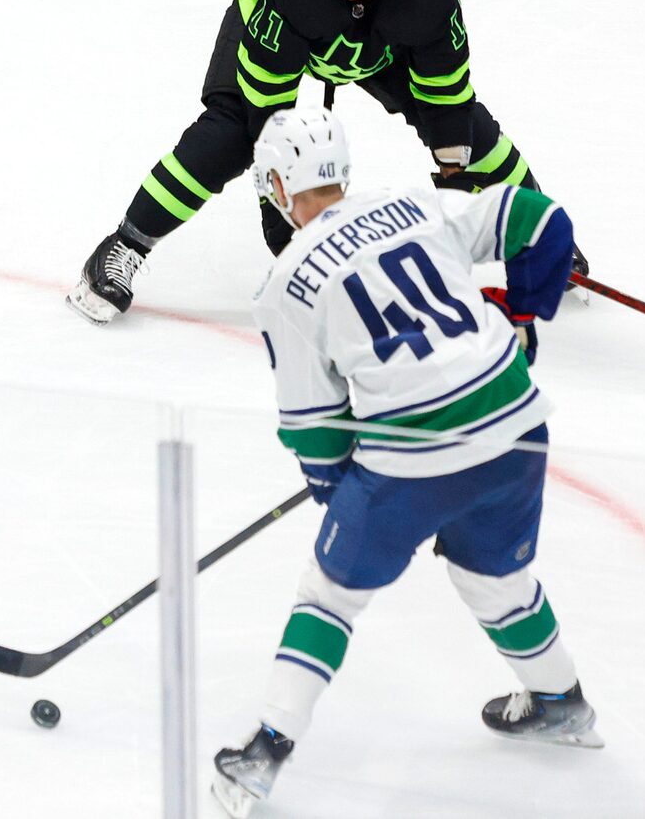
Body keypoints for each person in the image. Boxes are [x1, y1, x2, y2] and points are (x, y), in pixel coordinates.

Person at [208, 107, 597, 816]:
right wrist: (522, 316)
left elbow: (316, 428)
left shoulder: (284, 284)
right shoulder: (415, 203)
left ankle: (264, 754)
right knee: (497, 580)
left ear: (275, 184)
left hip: (414, 459)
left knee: (328, 595)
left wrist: (343, 496)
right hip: (516, 426)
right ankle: (562, 703)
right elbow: (538, 218)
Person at [70, 0, 554, 323]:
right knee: (231, 132)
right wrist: (277, 210)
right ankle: (124, 245)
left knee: (469, 128)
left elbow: (447, 97)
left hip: (377, 45)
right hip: (283, 34)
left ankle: (538, 231)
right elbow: (267, 117)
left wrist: (455, 180)